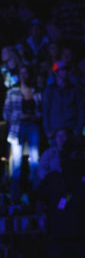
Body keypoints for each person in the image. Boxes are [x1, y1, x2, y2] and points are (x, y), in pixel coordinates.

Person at [3, 64, 43, 201]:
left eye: (27, 73)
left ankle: (36, 197)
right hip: (17, 127)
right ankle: (15, 198)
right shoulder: (12, 93)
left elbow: (41, 111)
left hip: (33, 126)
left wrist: (33, 116)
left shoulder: (37, 92)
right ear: (19, 76)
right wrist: (21, 116)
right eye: (22, 73)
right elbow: (6, 114)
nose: (24, 75)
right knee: (17, 163)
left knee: (35, 161)